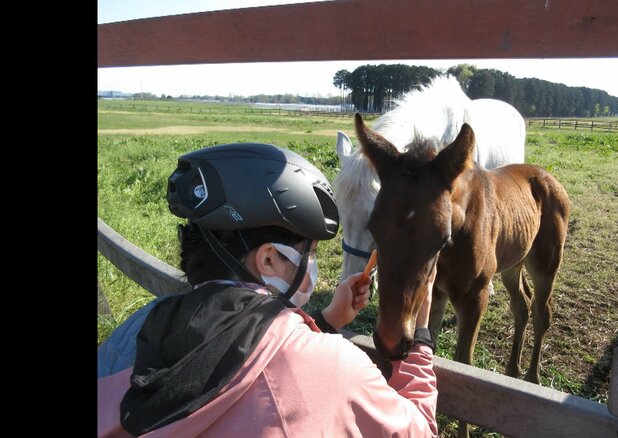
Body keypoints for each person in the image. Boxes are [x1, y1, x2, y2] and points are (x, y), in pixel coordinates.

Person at [97, 143, 438, 437]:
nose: (312, 264)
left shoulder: (133, 331)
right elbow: (418, 429)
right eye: (311, 253)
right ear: (269, 260)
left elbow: (230, 346)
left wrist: (327, 319)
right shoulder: (337, 367)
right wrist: (419, 340)